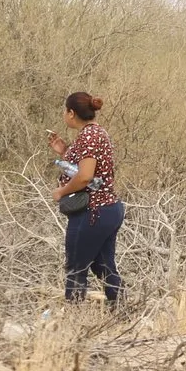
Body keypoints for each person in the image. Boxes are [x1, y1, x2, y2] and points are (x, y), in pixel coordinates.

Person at [48, 91, 123, 304]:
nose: (64, 114)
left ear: (71, 113)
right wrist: (65, 152)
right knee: (103, 266)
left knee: (76, 268)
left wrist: (60, 192)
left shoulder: (88, 137)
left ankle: (74, 317)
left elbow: (85, 177)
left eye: (65, 111)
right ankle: (123, 312)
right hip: (108, 209)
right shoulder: (95, 133)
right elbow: (88, 172)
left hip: (92, 211)